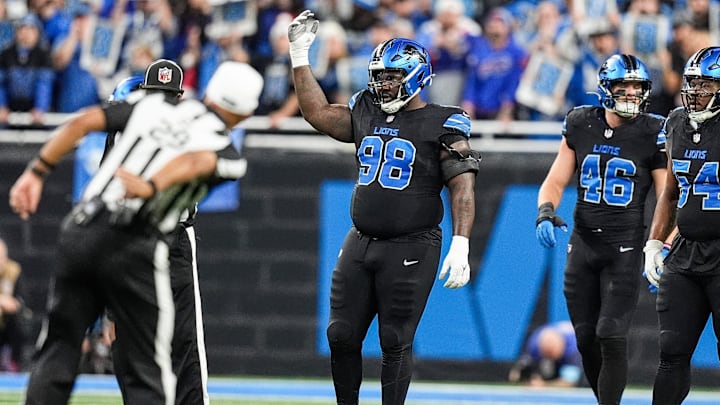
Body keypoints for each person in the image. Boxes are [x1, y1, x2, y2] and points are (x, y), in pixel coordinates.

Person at [8, 59, 263, 405]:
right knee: (149, 366)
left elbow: (84, 120)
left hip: (82, 227)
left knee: (59, 349)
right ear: (247, 113)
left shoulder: (147, 105)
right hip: (138, 242)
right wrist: (152, 185)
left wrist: (36, 172)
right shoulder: (226, 150)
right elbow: (197, 161)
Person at [288, 11, 481, 405]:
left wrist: (461, 243)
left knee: (394, 340)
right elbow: (318, 114)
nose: (383, 83)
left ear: (416, 76)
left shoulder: (443, 121)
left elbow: (462, 184)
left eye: (392, 76)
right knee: (340, 335)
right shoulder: (366, 110)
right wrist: (299, 55)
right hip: (360, 241)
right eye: (379, 75)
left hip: (412, 245)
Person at [536, 54, 667, 405]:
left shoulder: (653, 131)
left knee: (611, 333)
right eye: (622, 87)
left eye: (636, 88)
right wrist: (545, 211)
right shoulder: (581, 122)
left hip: (624, 246)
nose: (630, 94)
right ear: (605, 89)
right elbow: (555, 180)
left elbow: (668, 196)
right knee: (584, 339)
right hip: (582, 243)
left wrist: (662, 243)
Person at [104, 59, 211, 405]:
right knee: (132, 341)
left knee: (185, 342)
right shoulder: (125, 132)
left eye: (168, 96)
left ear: (179, 97)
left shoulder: (192, 131)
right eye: (155, 95)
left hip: (174, 237)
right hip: (133, 239)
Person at [643, 45, 720, 405]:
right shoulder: (675, 122)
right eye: (692, 83)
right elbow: (671, 193)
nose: (695, 92)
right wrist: (655, 243)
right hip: (686, 252)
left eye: (705, 85)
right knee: (671, 352)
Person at [508, 320, 583, 387]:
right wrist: (518, 373)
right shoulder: (535, 343)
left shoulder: (574, 349)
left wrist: (544, 385)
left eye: (552, 355)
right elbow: (519, 369)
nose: (551, 358)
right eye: (547, 354)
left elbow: (569, 382)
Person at [0, 238, 24, 372]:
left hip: (7, 326)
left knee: (17, 323)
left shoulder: (13, 271)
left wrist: (13, 304)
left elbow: (22, 301)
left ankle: (10, 361)